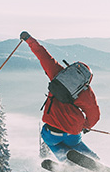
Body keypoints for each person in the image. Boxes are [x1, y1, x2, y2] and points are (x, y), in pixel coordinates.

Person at [21, 31, 100, 161]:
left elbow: (43, 55)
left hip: (53, 132)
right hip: (73, 132)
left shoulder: (58, 74)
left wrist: (29, 39)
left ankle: (66, 162)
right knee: (76, 144)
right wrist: (86, 126)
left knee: (51, 141)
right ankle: (94, 160)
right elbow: (94, 115)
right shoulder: (86, 92)